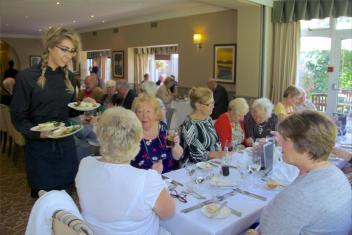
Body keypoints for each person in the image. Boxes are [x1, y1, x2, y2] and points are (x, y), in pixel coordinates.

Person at [247, 111, 352, 235]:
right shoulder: (336, 173)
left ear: (305, 148)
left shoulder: (299, 195)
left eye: (285, 139)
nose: (279, 143)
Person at [75, 107, 175, 234]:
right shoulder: (147, 179)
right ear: (137, 140)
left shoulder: (85, 164)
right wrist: (156, 177)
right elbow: (168, 213)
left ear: (100, 136)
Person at [10, 27, 81, 198]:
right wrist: (38, 134)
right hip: (40, 149)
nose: (69, 55)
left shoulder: (70, 77)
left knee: (66, 198)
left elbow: (69, 112)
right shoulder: (26, 77)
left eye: (72, 51)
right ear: (50, 46)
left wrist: (82, 105)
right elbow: (18, 118)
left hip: (66, 146)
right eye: (64, 49)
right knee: (46, 203)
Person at [131, 94, 183, 173]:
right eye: (140, 111)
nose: (144, 115)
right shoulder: (132, 133)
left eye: (148, 111)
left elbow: (177, 157)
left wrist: (175, 145)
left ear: (155, 113)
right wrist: (152, 172)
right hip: (144, 180)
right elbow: (125, 166)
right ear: (135, 114)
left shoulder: (163, 127)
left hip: (169, 178)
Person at [182, 87, 222, 163]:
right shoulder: (189, 125)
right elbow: (196, 155)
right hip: (193, 168)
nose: (213, 107)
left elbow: (216, 141)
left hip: (212, 162)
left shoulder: (208, 119)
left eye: (213, 103)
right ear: (198, 105)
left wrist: (220, 154)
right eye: (209, 104)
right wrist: (218, 154)